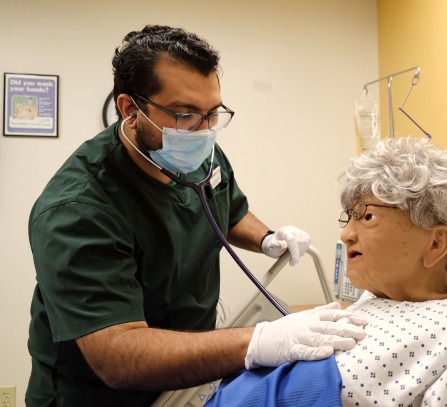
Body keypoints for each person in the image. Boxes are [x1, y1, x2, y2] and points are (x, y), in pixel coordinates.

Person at [26, 25, 366, 407]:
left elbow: (228, 208)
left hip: (184, 378)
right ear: (130, 109)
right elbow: (117, 355)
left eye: (213, 113)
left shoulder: (198, 154)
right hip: (100, 395)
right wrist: (259, 341)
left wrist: (267, 238)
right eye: (185, 114)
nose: (204, 131)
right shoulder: (78, 210)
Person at [209, 137, 447, 406]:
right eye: (348, 217)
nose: (346, 234)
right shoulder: (370, 304)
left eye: (367, 217)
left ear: (435, 243)